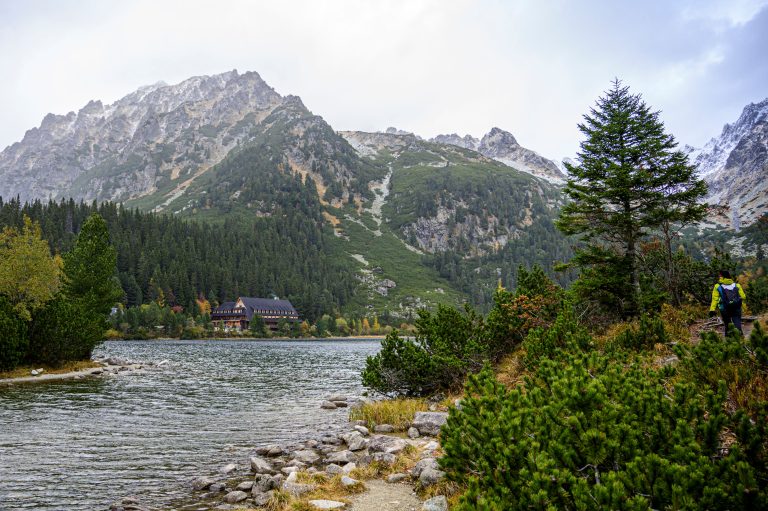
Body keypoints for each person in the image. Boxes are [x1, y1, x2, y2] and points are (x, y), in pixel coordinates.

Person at [709, 270, 746, 335]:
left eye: (719, 275)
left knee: (727, 324)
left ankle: (728, 342)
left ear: (721, 276)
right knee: (737, 323)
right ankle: (741, 340)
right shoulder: (736, 285)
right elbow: (743, 296)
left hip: (724, 308)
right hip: (736, 307)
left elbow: (715, 299)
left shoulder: (717, 286)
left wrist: (712, 309)